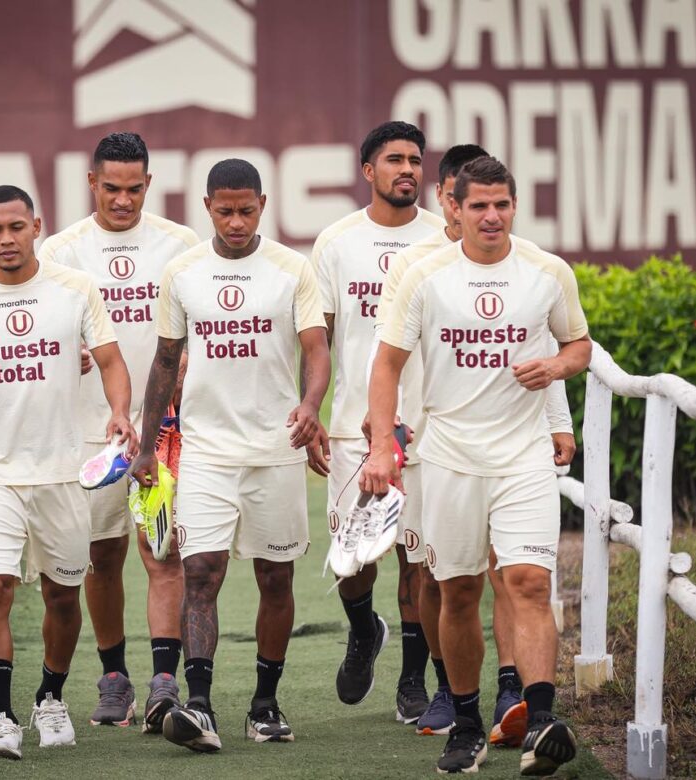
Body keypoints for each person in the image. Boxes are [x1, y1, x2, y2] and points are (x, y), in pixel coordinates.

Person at [364, 156, 592, 775]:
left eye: (503, 204)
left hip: (522, 459)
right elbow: (386, 364)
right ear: (455, 208)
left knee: (529, 583)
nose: (492, 216)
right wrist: (382, 446)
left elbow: (578, 344)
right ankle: (465, 722)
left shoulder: (548, 272)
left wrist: (556, 371)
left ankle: (542, 722)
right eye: (479, 205)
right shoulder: (424, 276)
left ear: (515, 207)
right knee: (457, 591)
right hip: (448, 459)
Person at [131, 158, 330, 752]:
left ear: (263, 205)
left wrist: (312, 403)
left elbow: (317, 350)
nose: (237, 221)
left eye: (247, 210)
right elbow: (166, 361)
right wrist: (147, 447)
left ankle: (265, 705)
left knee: (275, 576)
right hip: (208, 452)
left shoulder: (293, 270)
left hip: (275, 450)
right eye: (225, 210)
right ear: (207, 207)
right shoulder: (184, 272)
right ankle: (198, 705)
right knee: (199, 574)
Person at [0, 185, 137, 758]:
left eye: (17, 227)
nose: (6, 239)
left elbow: (110, 359)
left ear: (37, 227)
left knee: (62, 596)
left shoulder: (75, 291)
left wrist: (120, 413)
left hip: (62, 471)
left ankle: (49, 697)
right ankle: (1, 719)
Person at [36, 132, 199, 732]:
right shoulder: (58, 251)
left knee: (164, 552)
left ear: (149, 185)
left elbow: (203, 323)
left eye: (135, 189)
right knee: (102, 557)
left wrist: (189, 360)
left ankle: (163, 682)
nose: (124, 200)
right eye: (112, 189)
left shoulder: (180, 245)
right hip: (90, 431)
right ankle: (114, 678)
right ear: (91, 183)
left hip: (162, 429)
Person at [309, 121, 445, 725]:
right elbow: (322, 340)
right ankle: (364, 632)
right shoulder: (336, 242)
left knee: (418, 558)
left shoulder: (447, 237)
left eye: (416, 160)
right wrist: (311, 412)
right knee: (356, 558)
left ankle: (412, 683)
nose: (408, 170)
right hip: (350, 431)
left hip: (429, 427)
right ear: (368, 171)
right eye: (394, 160)